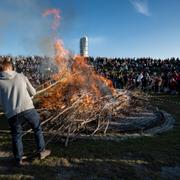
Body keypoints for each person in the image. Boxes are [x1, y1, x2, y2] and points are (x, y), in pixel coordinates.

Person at [0, 59, 51, 166]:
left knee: (16, 136)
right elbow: (33, 92)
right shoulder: (21, 76)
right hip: (28, 109)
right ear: (10, 67)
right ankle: (41, 151)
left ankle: (18, 159)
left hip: (13, 114)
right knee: (37, 128)